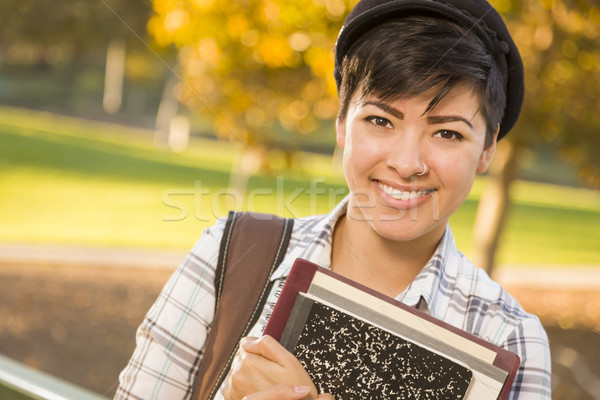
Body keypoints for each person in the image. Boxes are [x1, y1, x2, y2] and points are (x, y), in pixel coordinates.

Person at [115, 0, 552, 399]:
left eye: (447, 133)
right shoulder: (230, 253)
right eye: (381, 120)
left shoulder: (509, 337)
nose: (406, 163)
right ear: (342, 123)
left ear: (488, 148)